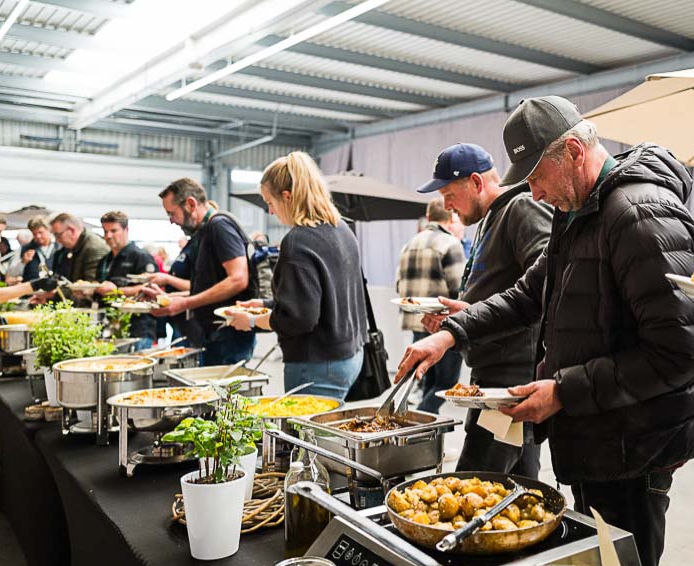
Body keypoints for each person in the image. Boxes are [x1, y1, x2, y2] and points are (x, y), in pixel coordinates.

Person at [396, 98, 694, 566]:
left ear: (573, 150)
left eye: (535, 176)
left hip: (638, 441)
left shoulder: (638, 215)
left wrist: (565, 391)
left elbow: (678, 350)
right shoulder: (578, 215)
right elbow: (528, 294)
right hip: (600, 431)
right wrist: (449, 334)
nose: (533, 192)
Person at [418, 142, 557, 477]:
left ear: (477, 183)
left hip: (509, 385)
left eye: (449, 193)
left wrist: (467, 318)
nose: (445, 205)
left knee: (473, 485)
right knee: (521, 488)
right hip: (494, 376)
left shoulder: (523, 208)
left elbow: (548, 286)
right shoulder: (491, 218)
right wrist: (464, 316)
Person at [222, 154, 367, 400]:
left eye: (270, 202)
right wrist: (265, 305)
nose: (270, 210)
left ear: (287, 197)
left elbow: (299, 320)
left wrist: (251, 322)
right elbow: (324, 298)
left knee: (306, 436)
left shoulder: (298, 241)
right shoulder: (341, 229)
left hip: (318, 363)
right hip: (351, 355)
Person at [139, 178, 255, 367]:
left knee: (224, 396)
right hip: (213, 335)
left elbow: (238, 279)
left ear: (191, 204)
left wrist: (185, 303)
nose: (171, 221)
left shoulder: (220, 226)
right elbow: (208, 286)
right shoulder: (204, 233)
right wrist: (168, 298)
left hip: (227, 336)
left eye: (172, 213)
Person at [395, 200, 467, 414]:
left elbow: (398, 285)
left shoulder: (409, 244)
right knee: (447, 383)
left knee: (428, 382)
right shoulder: (450, 244)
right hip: (443, 327)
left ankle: (424, 434)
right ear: (451, 216)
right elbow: (460, 289)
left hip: (418, 324)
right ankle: (416, 417)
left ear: (428, 215)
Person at [92, 212, 161, 345]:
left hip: (138, 328)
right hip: (108, 326)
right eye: (105, 231)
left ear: (126, 230)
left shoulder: (141, 257)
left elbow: (150, 288)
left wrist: (117, 291)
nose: (108, 236)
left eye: (113, 231)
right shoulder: (104, 260)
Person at [47, 212, 107, 283]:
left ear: (71, 230)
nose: (57, 239)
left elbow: (90, 287)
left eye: (58, 235)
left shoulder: (94, 248)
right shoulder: (69, 248)